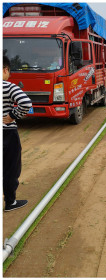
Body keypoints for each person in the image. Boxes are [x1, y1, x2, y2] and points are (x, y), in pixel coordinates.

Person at [3, 55, 32, 211]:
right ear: (6, 70)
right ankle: (10, 202)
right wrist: (12, 116)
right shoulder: (8, 86)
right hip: (7, 134)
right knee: (10, 168)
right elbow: (26, 103)